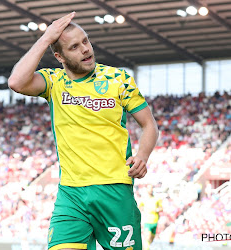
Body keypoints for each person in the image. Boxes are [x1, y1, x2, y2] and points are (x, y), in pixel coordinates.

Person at [8, 12, 159, 250]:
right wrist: (47, 38)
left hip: (114, 190)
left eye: (86, 41)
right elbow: (16, 82)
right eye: (75, 47)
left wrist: (142, 156)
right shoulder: (53, 82)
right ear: (59, 56)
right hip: (71, 194)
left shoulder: (118, 79)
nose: (85, 50)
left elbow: (149, 124)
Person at [139, 185, 163, 250]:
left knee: (151, 240)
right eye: (149, 188)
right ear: (147, 189)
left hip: (155, 222)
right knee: (147, 238)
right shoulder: (143, 199)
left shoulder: (157, 199)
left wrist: (157, 210)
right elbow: (139, 207)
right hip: (147, 222)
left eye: (152, 188)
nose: (151, 190)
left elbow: (161, 208)